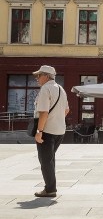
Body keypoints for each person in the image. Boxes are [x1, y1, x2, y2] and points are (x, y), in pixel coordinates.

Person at [32, 65, 69, 198]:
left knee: (45, 161)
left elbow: (43, 112)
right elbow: (66, 110)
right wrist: (57, 119)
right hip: (60, 130)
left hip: (47, 131)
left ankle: (50, 189)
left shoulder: (45, 89)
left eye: (39, 75)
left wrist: (39, 131)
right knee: (50, 159)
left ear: (46, 76)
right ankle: (50, 187)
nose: (37, 78)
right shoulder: (61, 89)